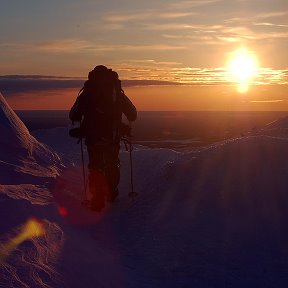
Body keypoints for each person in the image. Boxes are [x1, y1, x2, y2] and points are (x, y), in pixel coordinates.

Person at [69, 65, 137, 211]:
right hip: (113, 136)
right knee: (113, 162)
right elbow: (132, 113)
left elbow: (73, 114)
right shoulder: (117, 92)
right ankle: (112, 191)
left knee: (95, 165)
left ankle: (97, 197)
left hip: (93, 137)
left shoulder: (87, 92)